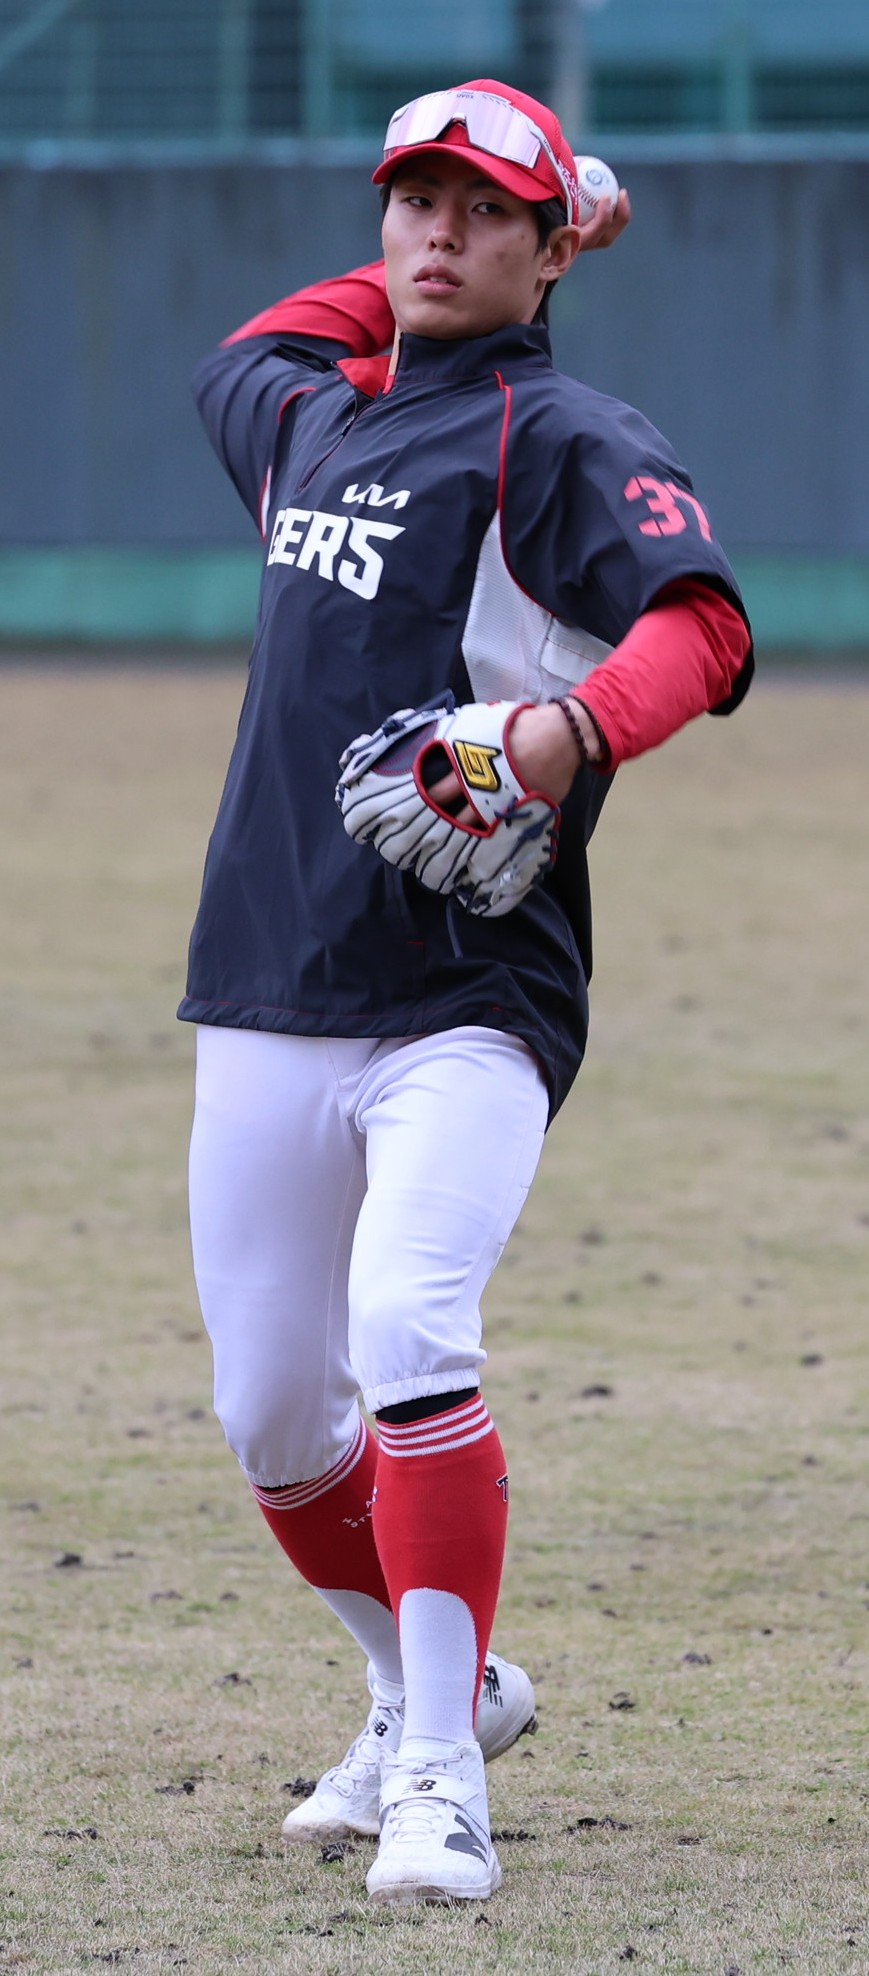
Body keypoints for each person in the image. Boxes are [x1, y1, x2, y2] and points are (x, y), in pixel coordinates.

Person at [180, 78, 753, 1907]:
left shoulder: (559, 435)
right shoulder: (306, 418)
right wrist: (535, 207)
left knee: (409, 1333)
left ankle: (438, 1778)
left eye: (484, 210)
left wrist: (567, 728)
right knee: (276, 1417)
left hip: (468, 989)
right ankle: (436, 1687)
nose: (437, 232)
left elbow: (702, 627)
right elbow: (255, 344)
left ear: (549, 251)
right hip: (269, 973)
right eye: (413, 200)